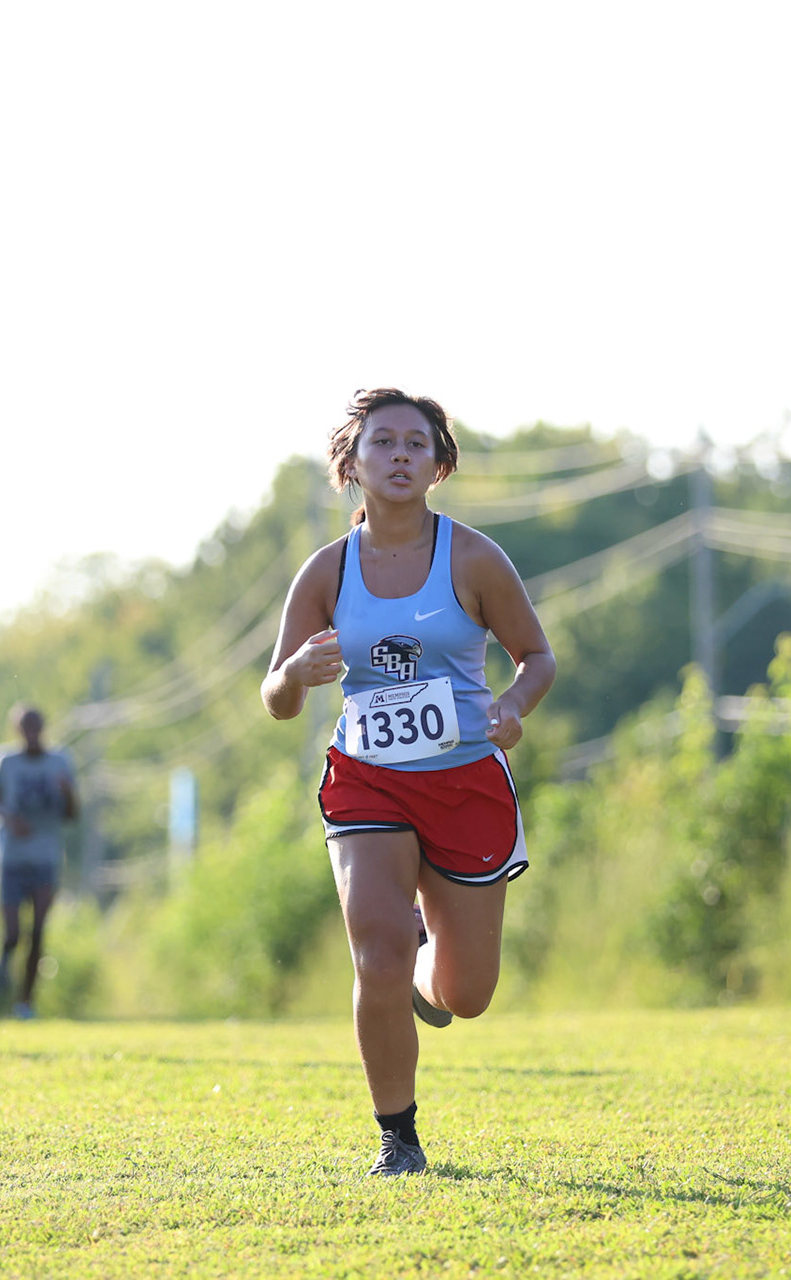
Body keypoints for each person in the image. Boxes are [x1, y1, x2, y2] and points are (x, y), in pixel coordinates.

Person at [260, 388, 555, 1177]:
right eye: (381, 443)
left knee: (467, 995)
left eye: (414, 444)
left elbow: (538, 657)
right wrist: (294, 672)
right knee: (377, 956)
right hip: (368, 780)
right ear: (351, 464)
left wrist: (514, 707)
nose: (398, 455)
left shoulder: (474, 558)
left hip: (465, 778)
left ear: (439, 464)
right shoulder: (326, 572)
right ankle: (398, 1136)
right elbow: (277, 700)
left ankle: (430, 959)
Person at [0, 705, 78, 1019]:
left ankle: (25, 1001)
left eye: (36, 727)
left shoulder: (60, 761)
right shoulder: (5, 761)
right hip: (12, 859)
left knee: (38, 931)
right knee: (12, 932)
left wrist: (68, 793)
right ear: (17, 730)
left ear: (44, 727)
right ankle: (4, 959)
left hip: (46, 858)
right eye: (26, 727)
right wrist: (10, 817)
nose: (32, 733)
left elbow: (73, 815)